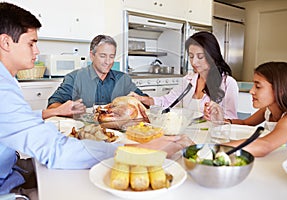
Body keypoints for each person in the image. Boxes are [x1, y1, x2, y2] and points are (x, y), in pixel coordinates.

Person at [0, 2, 193, 196]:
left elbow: (17, 119)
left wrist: (143, 101)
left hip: (15, 168)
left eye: (112, 56)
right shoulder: (10, 86)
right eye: (31, 43)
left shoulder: (123, 79)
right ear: (6, 42)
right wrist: (138, 149)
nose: (37, 51)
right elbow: (55, 150)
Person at [130, 31, 239, 119]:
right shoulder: (188, 80)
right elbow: (167, 101)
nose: (194, 62)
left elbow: (231, 120)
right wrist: (143, 99)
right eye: (191, 56)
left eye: (200, 57)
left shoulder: (228, 83)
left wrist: (215, 117)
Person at [214, 62, 287, 157]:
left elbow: (265, 145)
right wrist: (220, 120)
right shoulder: (268, 110)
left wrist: (214, 149)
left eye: (258, 87)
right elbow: (245, 123)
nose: (251, 91)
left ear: (280, 91)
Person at [47, 34, 147, 112]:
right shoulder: (74, 78)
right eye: (103, 56)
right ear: (92, 55)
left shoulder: (123, 79)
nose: (108, 62)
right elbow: (52, 106)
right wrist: (69, 109)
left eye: (111, 56)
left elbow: (146, 102)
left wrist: (135, 101)